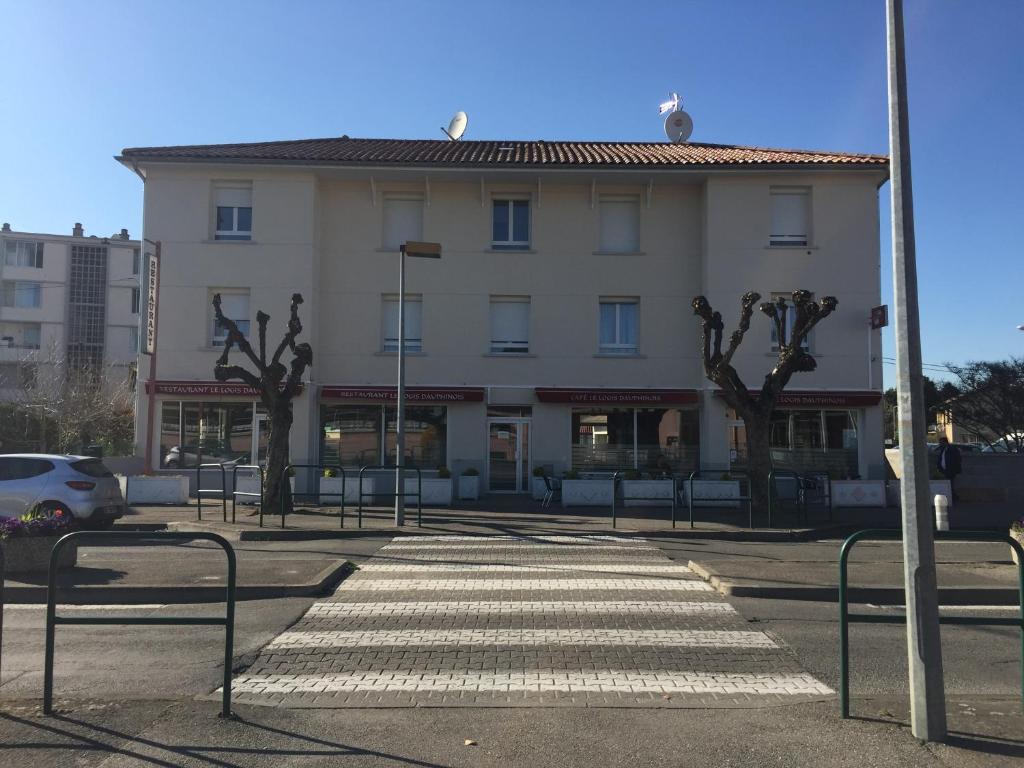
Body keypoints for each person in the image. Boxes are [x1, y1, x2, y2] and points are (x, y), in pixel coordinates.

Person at [936, 437, 962, 502]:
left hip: (951, 470)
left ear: (945, 442)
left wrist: (953, 468)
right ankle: (953, 498)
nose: (940, 444)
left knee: (950, 485)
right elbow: (941, 459)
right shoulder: (943, 450)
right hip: (944, 470)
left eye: (941, 442)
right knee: (949, 485)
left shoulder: (952, 449)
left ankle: (954, 498)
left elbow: (957, 459)